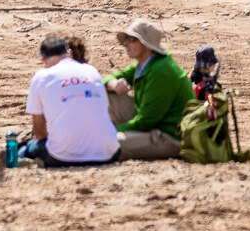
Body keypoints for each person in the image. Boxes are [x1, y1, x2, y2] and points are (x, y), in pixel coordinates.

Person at [23, 35, 120, 167]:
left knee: (28, 148)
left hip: (64, 157)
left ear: (43, 59)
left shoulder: (42, 76)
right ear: (69, 54)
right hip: (109, 153)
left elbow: (39, 132)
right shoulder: (91, 70)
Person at [103, 19, 192, 160]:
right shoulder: (146, 63)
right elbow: (103, 81)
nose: (125, 43)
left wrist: (106, 132)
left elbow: (145, 122)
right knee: (104, 96)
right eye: (126, 39)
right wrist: (112, 84)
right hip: (152, 123)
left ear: (146, 44)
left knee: (106, 143)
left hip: (169, 136)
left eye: (131, 39)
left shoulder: (161, 70)